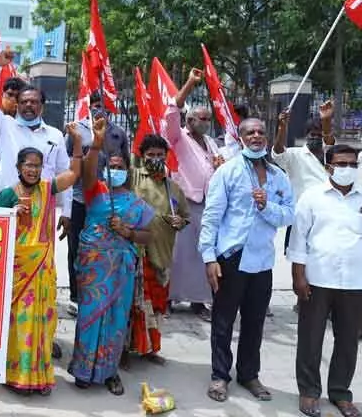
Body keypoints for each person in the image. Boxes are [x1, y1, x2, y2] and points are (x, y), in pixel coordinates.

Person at [199, 117, 294, 403]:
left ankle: (249, 374)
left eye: (261, 132)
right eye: (250, 132)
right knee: (223, 320)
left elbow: (289, 214)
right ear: (240, 137)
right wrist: (209, 257)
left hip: (263, 260)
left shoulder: (279, 177)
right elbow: (212, 217)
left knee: (254, 322)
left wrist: (267, 206)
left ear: (266, 137)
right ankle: (219, 375)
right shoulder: (227, 172)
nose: (256, 136)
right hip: (231, 257)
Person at [0, 125, 83, 396]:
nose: (32, 170)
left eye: (37, 166)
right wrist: (10, 213)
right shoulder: (8, 194)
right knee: (19, 322)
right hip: (18, 271)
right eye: (28, 165)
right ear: (19, 167)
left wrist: (77, 142)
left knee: (42, 323)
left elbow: (74, 174)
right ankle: (16, 375)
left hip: (42, 270)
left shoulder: (48, 188)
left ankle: (40, 376)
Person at [68, 117, 154, 396]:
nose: (115, 170)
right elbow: (89, 173)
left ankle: (109, 372)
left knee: (117, 320)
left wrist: (128, 232)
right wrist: (96, 142)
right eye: (111, 167)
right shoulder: (96, 193)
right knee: (89, 317)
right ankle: (82, 370)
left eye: (119, 167)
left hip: (121, 270)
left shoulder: (137, 203)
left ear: (127, 171)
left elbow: (148, 236)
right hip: (93, 266)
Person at [288, 144, 362, 417]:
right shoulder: (312, 197)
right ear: (329, 166)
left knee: (348, 340)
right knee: (311, 337)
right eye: (342, 164)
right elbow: (298, 239)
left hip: (355, 282)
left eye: (353, 164)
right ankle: (308, 392)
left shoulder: (361, 197)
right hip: (317, 278)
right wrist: (298, 276)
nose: (348, 169)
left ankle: (341, 393)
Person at [165, 69, 225, 321]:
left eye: (208, 119)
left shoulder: (210, 142)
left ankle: (199, 301)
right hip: (183, 202)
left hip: (208, 204)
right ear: (189, 121)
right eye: (201, 118)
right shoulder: (178, 137)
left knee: (203, 253)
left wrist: (221, 164)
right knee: (178, 254)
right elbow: (171, 113)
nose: (205, 122)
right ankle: (168, 298)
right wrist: (190, 83)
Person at [125, 134, 189, 366]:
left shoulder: (173, 187)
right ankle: (127, 350)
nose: (155, 159)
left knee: (158, 305)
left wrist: (180, 222)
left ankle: (151, 349)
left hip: (162, 254)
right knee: (135, 303)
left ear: (167, 157)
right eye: (150, 155)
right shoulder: (132, 179)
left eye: (160, 155)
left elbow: (185, 216)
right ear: (142, 157)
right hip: (137, 252)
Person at [0, 50, 71, 212]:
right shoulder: (3, 125)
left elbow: (64, 173)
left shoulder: (55, 135)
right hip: (5, 205)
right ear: (17, 105)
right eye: (24, 102)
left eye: (34, 102)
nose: (29, 105)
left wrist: (67, 212)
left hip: (42, 209)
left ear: (42, 106)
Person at [65, 93, 129, 317]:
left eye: (103, 106)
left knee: (102, 248)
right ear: (89, 107)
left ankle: (99, 291)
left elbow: (126, 165)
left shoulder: (118, 134)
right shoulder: (78, 131)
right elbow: (67, 164)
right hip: (80, 198)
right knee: (76, 247)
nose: (99, 110)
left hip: (106, 201)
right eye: (95, 106)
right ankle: (75, 295)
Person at [273, 101, 335, 253]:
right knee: (299, 261)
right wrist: (282, 128)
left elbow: (329, 142)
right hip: (302, 216)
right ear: (306, 135)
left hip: (328, 216)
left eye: (319, 134)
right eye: (312, 134)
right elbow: (278, 152)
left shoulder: (331, 155)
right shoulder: (295, 155)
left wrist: (326, 120)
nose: (315, 137)